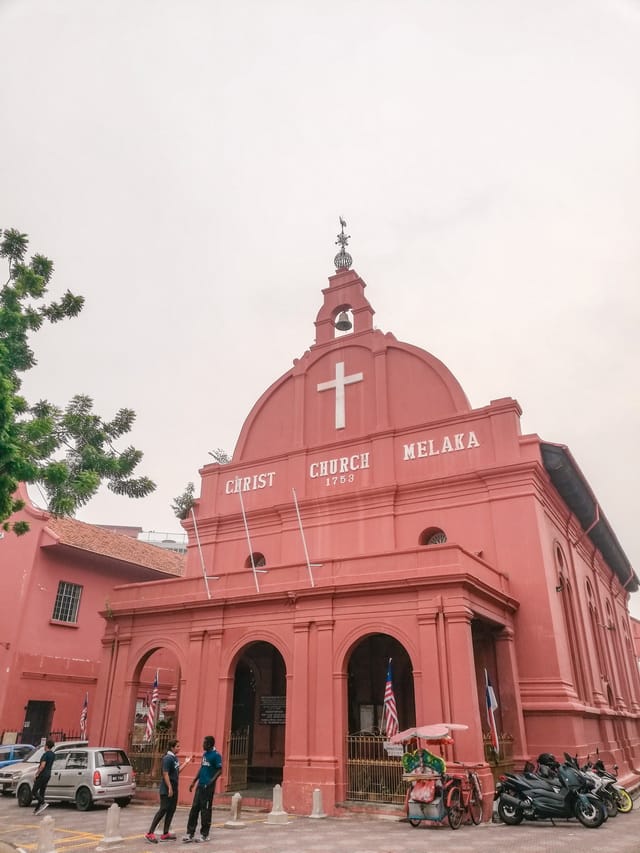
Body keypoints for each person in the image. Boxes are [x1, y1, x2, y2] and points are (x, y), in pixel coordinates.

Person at [145, 739, 190, 843]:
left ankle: (165, 833)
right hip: (167, 789)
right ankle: (150, 833)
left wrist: (186, 763)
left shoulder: (174, 758)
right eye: (177, 746)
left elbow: (177, 771)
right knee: (163, 809)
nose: (179, 748)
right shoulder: (167, 758)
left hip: (174, 788)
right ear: (172, 747)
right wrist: (169, 787)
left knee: (171, 810)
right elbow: (165, 774)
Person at [182, 736, 223, 843]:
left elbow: (220, 770)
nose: (202, 745)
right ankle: (190, 833)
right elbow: (202, 768)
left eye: (204, 743)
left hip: (208, 788)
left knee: (205, 811)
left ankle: (205, 834)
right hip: (200, 786)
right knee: (194, 809)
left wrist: (211, 782)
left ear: (209, 744)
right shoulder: (205, 755)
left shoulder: (216, 756)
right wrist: (194, 781)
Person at [32, 739, 55, 815]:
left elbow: (42, 766)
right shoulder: (53, 754)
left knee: (34, 791)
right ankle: (37, 809)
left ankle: (43, 803)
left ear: (47, 746)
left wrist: (37, 774)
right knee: (42, 792)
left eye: (45, 746)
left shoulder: (45, 755)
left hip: (42, 774)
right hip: (48, 774)